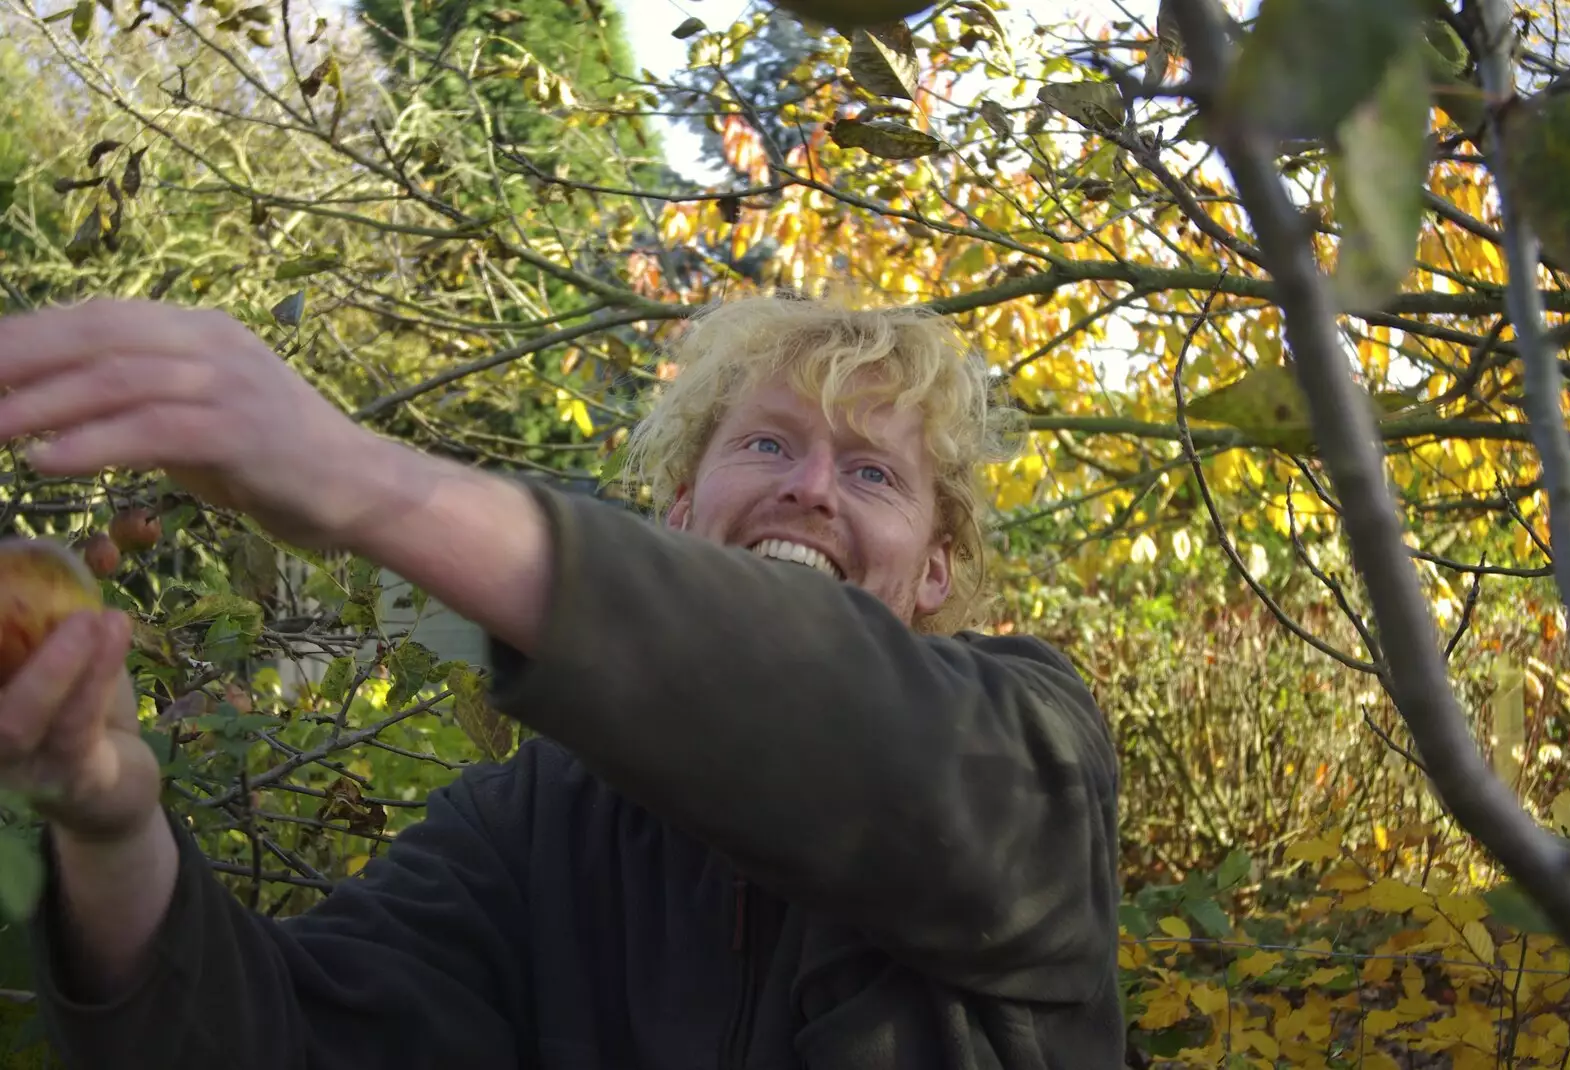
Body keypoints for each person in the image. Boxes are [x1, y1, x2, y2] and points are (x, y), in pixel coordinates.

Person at [0, 293, 1123, 1069]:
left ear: (936, 571)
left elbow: (846, 712)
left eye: (872, 470)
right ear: (679, 512)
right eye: (767, 446)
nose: (812, 489)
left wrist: (365, 481)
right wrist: (108, 820)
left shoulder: (1027, 752)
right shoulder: (532, 824)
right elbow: (275, 1041)